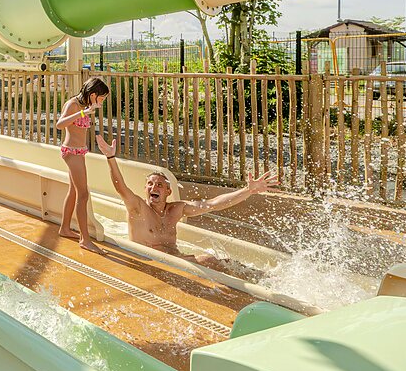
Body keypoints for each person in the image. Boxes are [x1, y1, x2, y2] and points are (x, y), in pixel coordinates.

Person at [96, 135, 278, 269]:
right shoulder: (138, 209)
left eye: (159, 185)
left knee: (226, 263)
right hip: (149, 265)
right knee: (209, 261)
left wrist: (248, 190)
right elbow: (121, 188)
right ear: (145, 190)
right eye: (150, 184)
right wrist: (110, 158)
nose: (154, 188)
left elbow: (212, 204)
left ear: (168, 191)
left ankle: (265, 278)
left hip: (175, 261)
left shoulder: (176, 209)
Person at [55, 77, 111, 253]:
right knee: (83, 194)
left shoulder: (86, 106)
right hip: (71, 152)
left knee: (74, 192)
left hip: (79, 151)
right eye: (101, 99)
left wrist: (87, 111)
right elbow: (59, 124)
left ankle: (64, 228)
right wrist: (81, 113)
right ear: (92, 94)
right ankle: (84, 239)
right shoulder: (73, 104)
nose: (102, 103)